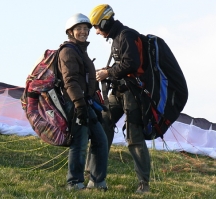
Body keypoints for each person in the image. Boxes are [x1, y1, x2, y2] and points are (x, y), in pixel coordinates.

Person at [88, 5, 151, 193]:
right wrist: (108, 73)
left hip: (132, 94)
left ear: (105, 22)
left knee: (134, 137)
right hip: (118, 91)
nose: (97, 32)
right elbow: (124, 63)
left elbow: (132, 63)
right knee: (102, 125)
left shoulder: (126, 35)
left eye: (97, 27)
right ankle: (95, 178)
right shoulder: (118, 37)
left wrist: (108, 72)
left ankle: (144, 185)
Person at [58, 13, 108, 190]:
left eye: (86, 29)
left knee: (100, 140)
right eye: (79, 29)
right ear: (70, 32)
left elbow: (87, 82)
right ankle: (74, 182)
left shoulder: (81, 51)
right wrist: (79, 105)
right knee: (79, 143)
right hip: (75, 103)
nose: (83, 32)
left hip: (86, 103)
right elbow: (70, 80)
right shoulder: (68, 51)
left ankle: (97, 182)